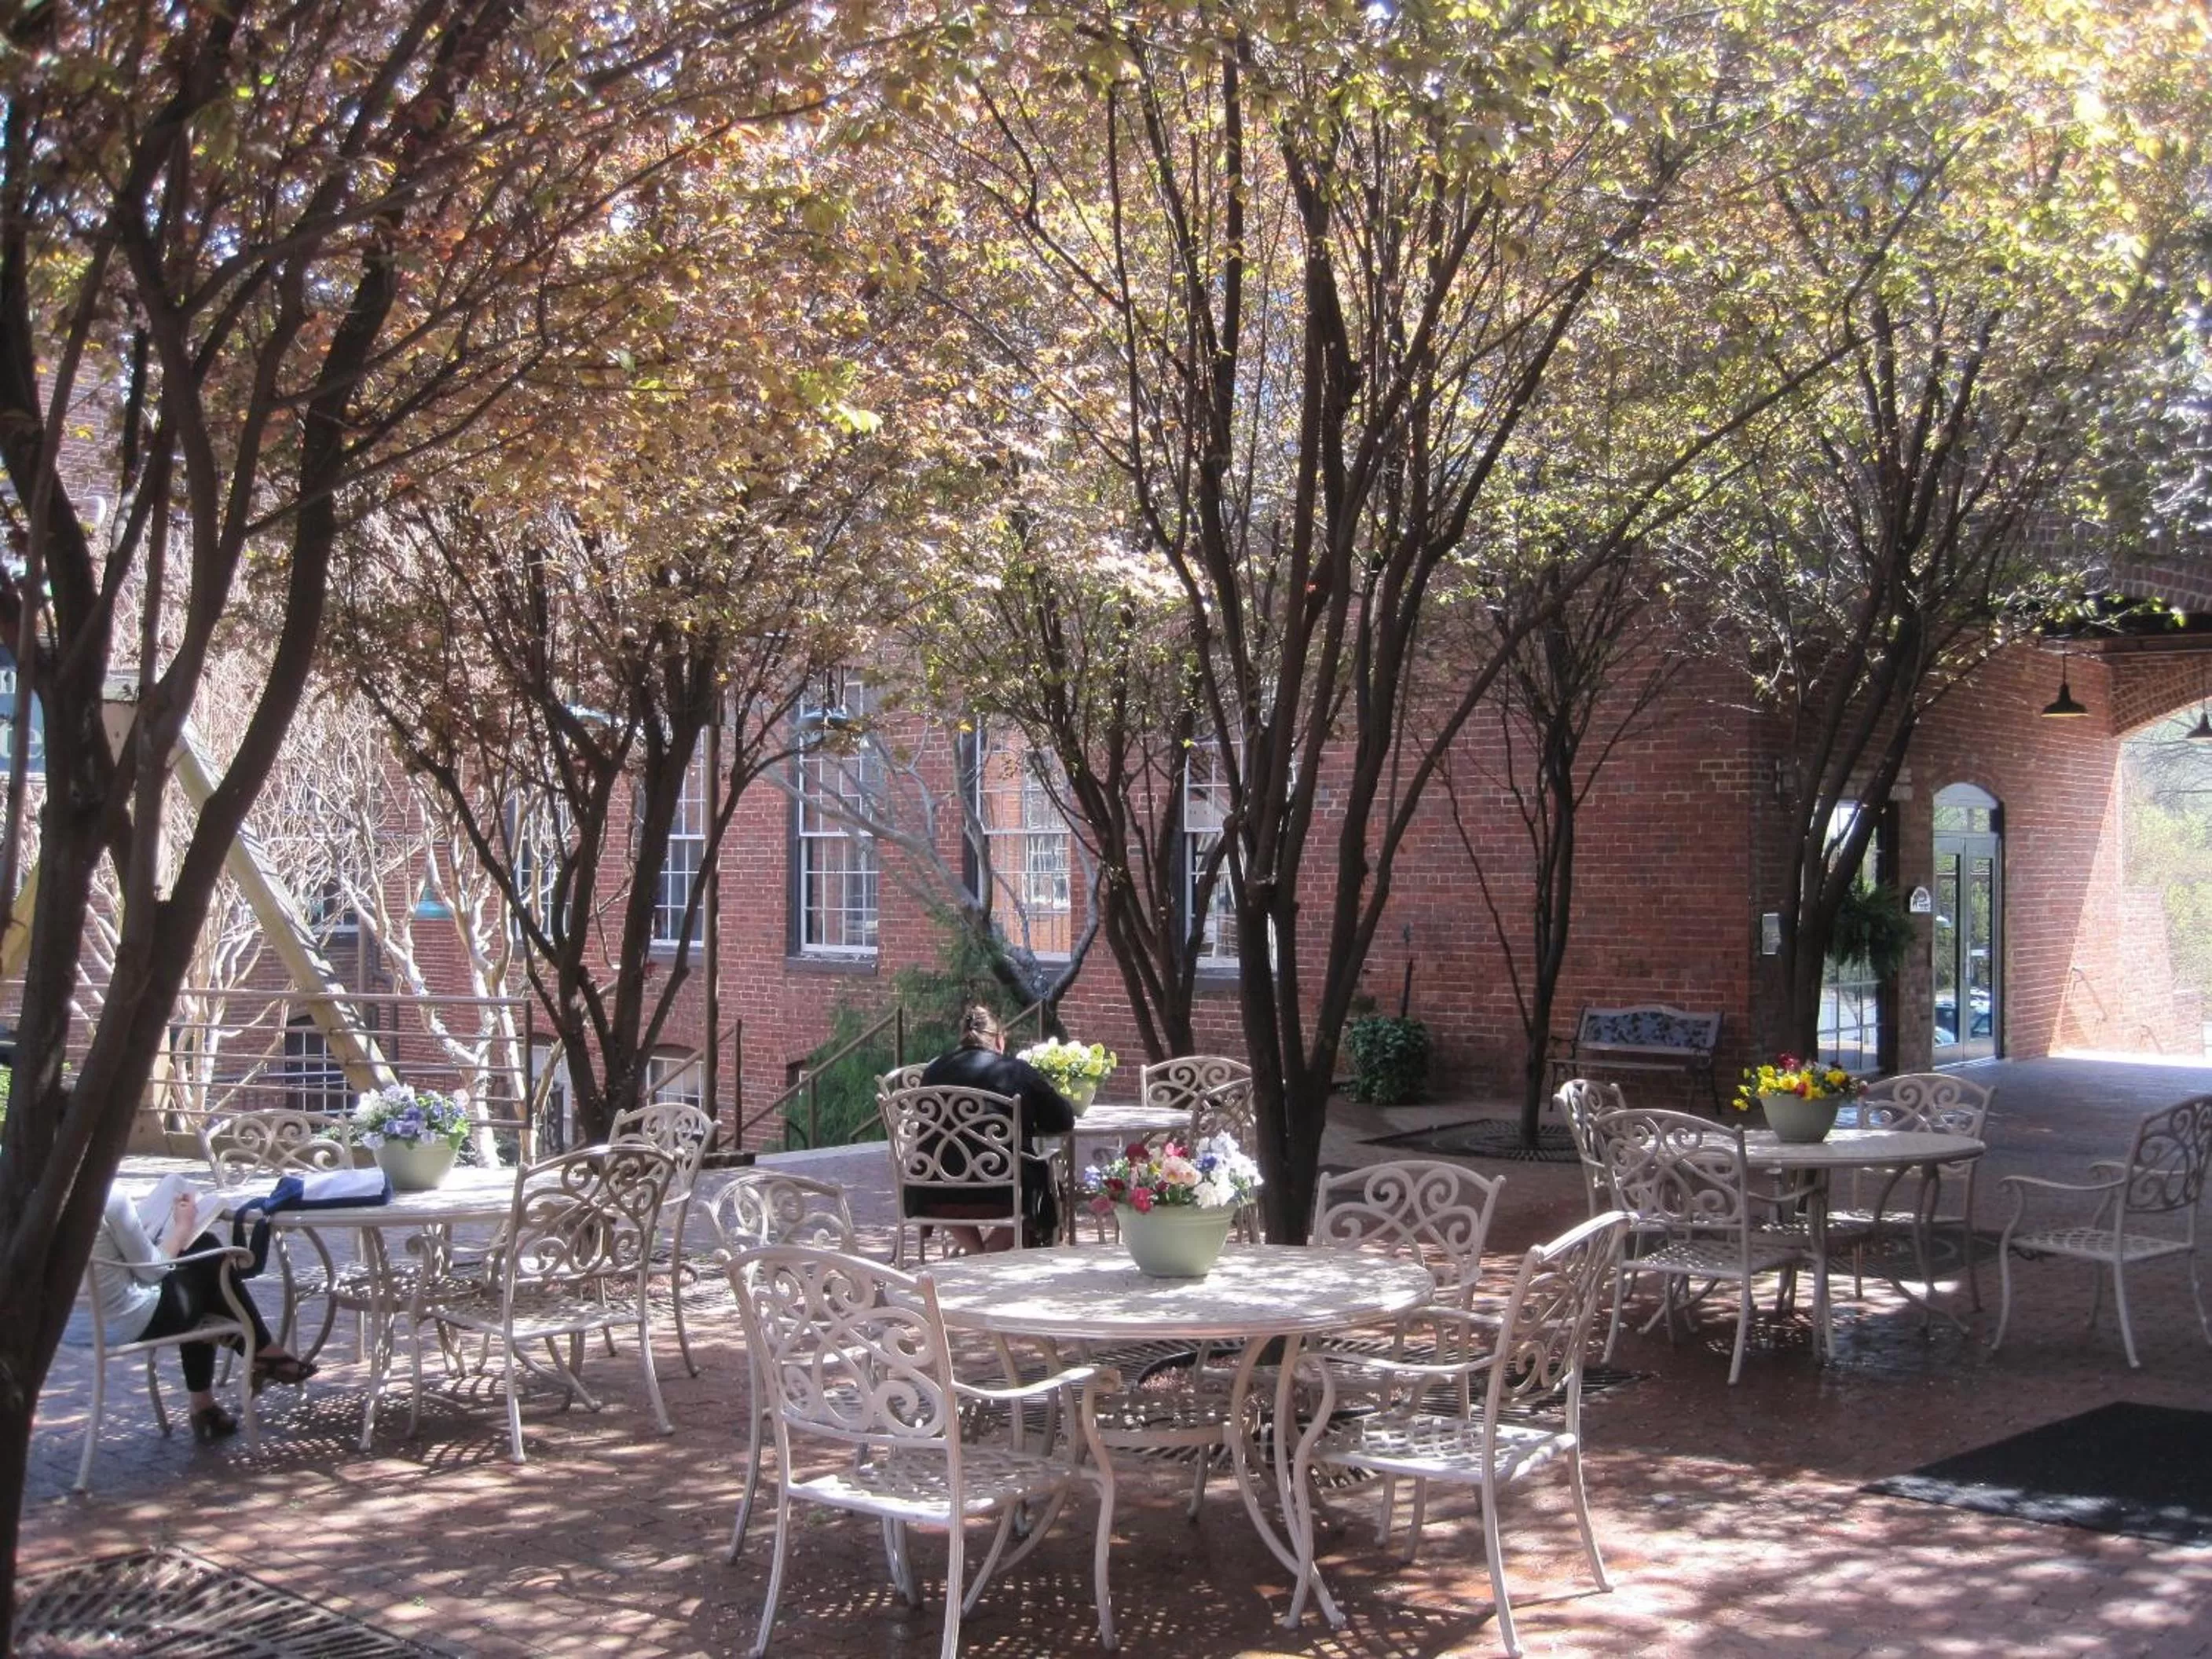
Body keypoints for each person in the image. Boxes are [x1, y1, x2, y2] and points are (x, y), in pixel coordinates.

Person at [89, 1184, 317, 1444]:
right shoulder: (109, 1197)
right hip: (129, 1321)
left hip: (72, 1325)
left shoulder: (41, 1194)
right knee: (205, 1252)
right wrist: (183, 1226)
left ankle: (209, 1400)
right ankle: (261, 1353)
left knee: (195, 1270)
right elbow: (151, 1271)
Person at [914, 1005, 1075, 1253]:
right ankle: (984, 1257)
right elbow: (1062, 1120)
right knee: (1037, 1184)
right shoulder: (1015, 1071)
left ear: (962, 1037)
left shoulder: (933, 1070)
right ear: (999, 1039)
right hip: (1002, 1188)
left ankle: (976, 1255)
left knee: (951, 1177)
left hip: (934, 1185)